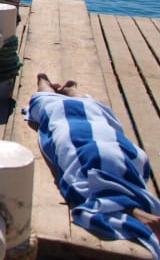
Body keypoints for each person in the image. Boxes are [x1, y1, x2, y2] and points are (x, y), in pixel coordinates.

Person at [29, 73, 160, 258]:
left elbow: (98, 196)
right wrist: (137, 213)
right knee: (73, 114)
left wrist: (136, 213)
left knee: (81, 117)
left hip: (92, 149)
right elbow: (100, 199)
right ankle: (59, 91)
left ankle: (55, 89)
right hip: (111, 153)